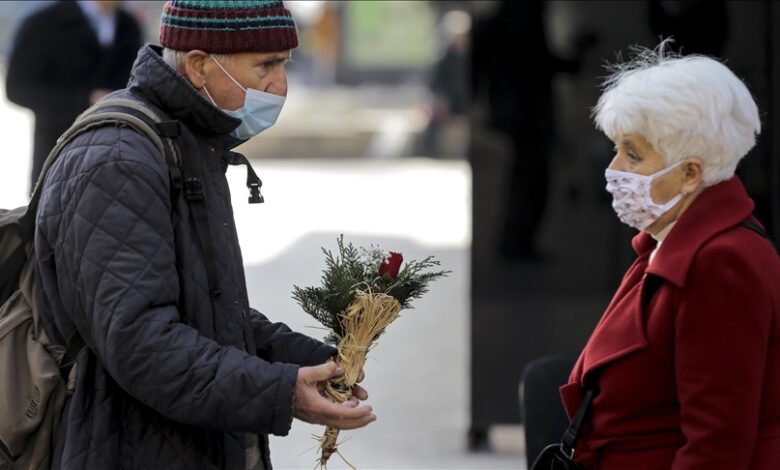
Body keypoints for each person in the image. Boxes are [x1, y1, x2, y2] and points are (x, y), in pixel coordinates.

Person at [33, 1, 375, 469]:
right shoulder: (117, 161)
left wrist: (312, 360)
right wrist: (279, 393)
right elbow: (142, 342)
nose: (280, 86)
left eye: (284, 64)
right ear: (198, 66)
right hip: (124, 447)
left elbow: (204, 305)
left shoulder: (187, 140)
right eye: (266, 66)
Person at [560, 42, 780, 468]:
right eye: (617, 149)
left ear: (689, 173)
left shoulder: (720, 263)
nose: (615, 168)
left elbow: (716, 447)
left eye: (633, 154)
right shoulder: (673, 241)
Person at [5, 0, 143, 193]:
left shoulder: (129, 25)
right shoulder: (43, 23)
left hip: (118, 159)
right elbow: (18, 89)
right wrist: (86, 100)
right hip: (57, 156)